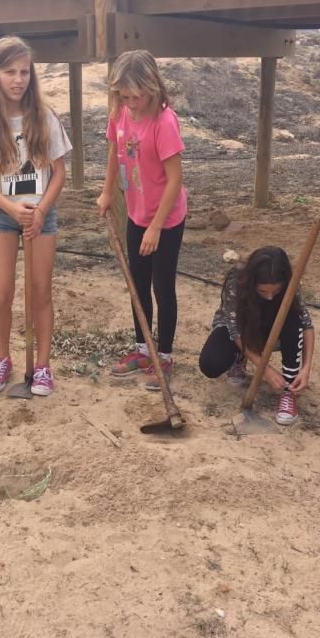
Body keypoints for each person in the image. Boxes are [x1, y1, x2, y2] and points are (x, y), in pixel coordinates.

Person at [0, 36, 71, 396]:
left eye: (24, 71)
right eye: (10, 72)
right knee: (1, 292)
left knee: (40, 291)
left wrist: (40, 211)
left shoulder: (46, 117)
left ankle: (42, 365)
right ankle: (2, 357)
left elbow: (59, 172)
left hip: (42, 214)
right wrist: (10, 208)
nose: (18, 79)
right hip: (0, 216)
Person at [96, 50, 187, 391]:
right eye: (124, 97)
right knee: (138, 284)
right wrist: (107, 193)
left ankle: (164, 354)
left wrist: (156, 227)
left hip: (166, 217)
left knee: (163, 287)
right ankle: (142, 349)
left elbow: (174, 179)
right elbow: (113, 152)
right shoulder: (120, 113)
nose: (131, 104)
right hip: (136, 212)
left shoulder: (164, 122)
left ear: (152, 88)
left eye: (136, 97)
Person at [198, 247, 315, 425]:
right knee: (210, 364)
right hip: (240, 329)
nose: (269, 297)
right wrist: (265, 369)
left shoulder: (290, 286)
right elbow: (234, 330)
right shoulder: (236, 281)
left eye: (275, 292)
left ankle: (288, 392)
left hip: (271, 331)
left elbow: (306, 325)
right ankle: (239, 356)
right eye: (263, 291)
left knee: (293, 320)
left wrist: (306, 368)